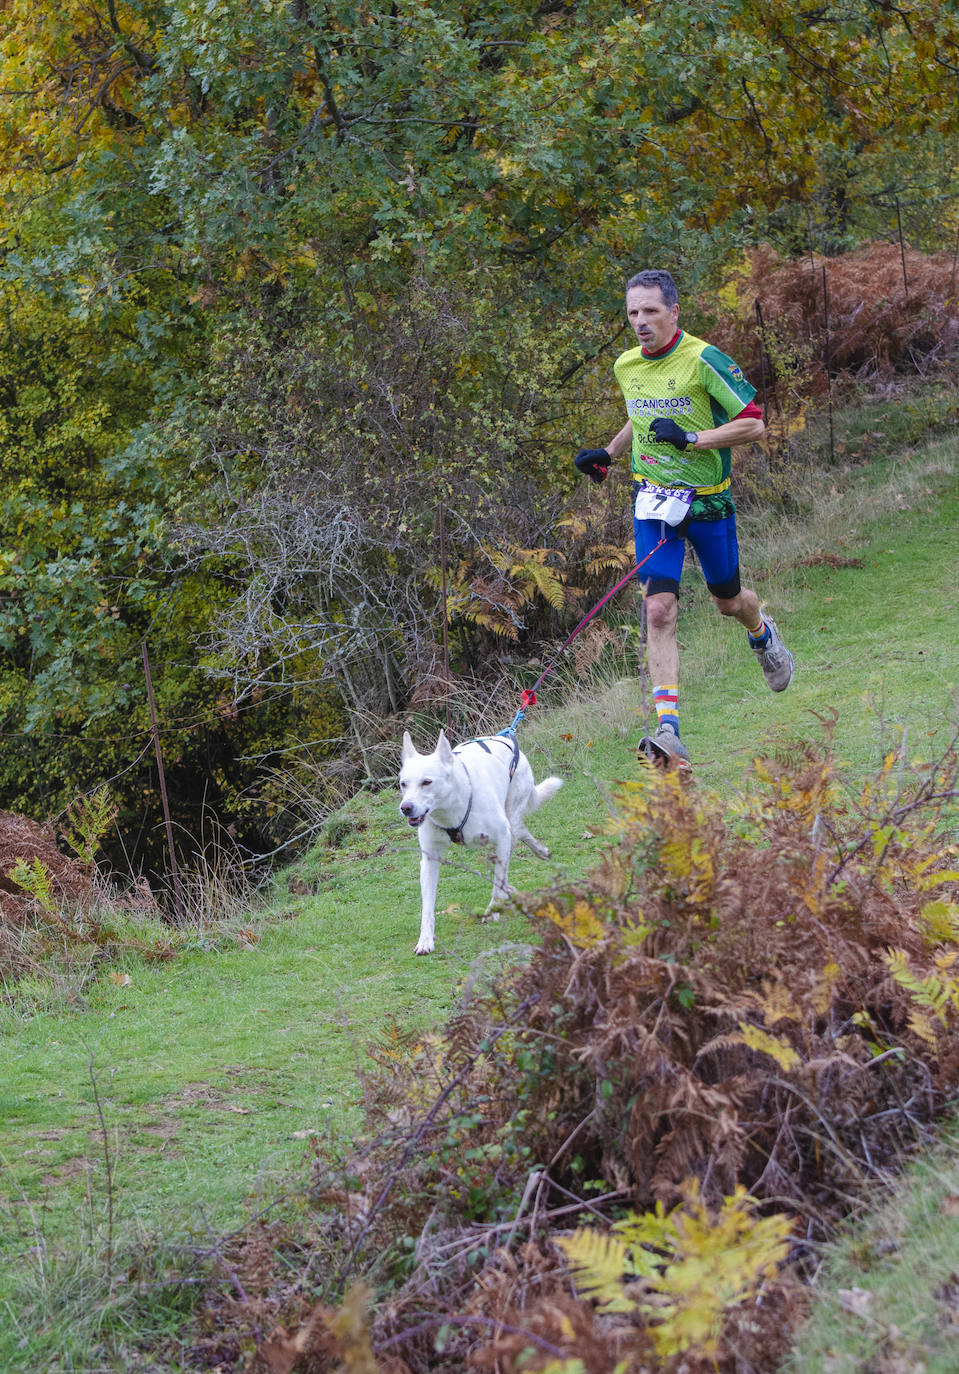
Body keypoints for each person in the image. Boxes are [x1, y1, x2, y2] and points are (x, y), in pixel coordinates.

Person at [574, 268, 793, 768]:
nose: (640, 322)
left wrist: (694, 439)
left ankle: (762, 634)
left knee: (729, 601)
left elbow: (754, 424)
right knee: (658, 609)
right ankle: (668, 730)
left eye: (650, 310)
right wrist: (608, 453)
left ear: (674, 311)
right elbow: (641, 412)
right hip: (652, 501)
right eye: (632, 312)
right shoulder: (627, 364)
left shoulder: (703, 358)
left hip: (707, 501)